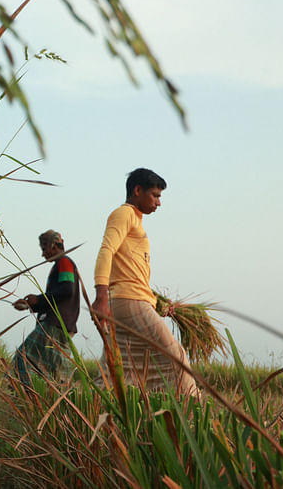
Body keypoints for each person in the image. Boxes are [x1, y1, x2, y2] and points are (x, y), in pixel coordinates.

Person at [92, 168, 198, 396]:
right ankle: (189, 412)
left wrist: (157, 302)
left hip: (128, 300)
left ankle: (91, 414)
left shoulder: (136, 221)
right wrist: (100, 298)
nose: (159, 203)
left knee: (117, 370)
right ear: (137, 190)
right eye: (155, 195)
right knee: (175, 358)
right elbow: (106, 251)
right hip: (128, 301)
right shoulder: (124, 214)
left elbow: (131, 272)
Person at [11, 230, 80, 386]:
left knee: (23, 359)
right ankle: (51, 401)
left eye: (44, 248)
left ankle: (27, 396)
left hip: (54, 325)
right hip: (60, 325)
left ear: (54, 245)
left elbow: (67, 290)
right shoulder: (62, 264)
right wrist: (32, 304)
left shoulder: (64, 262)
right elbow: (59, 295)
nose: (43, 254)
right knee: (52, 369)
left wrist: (38, 299)